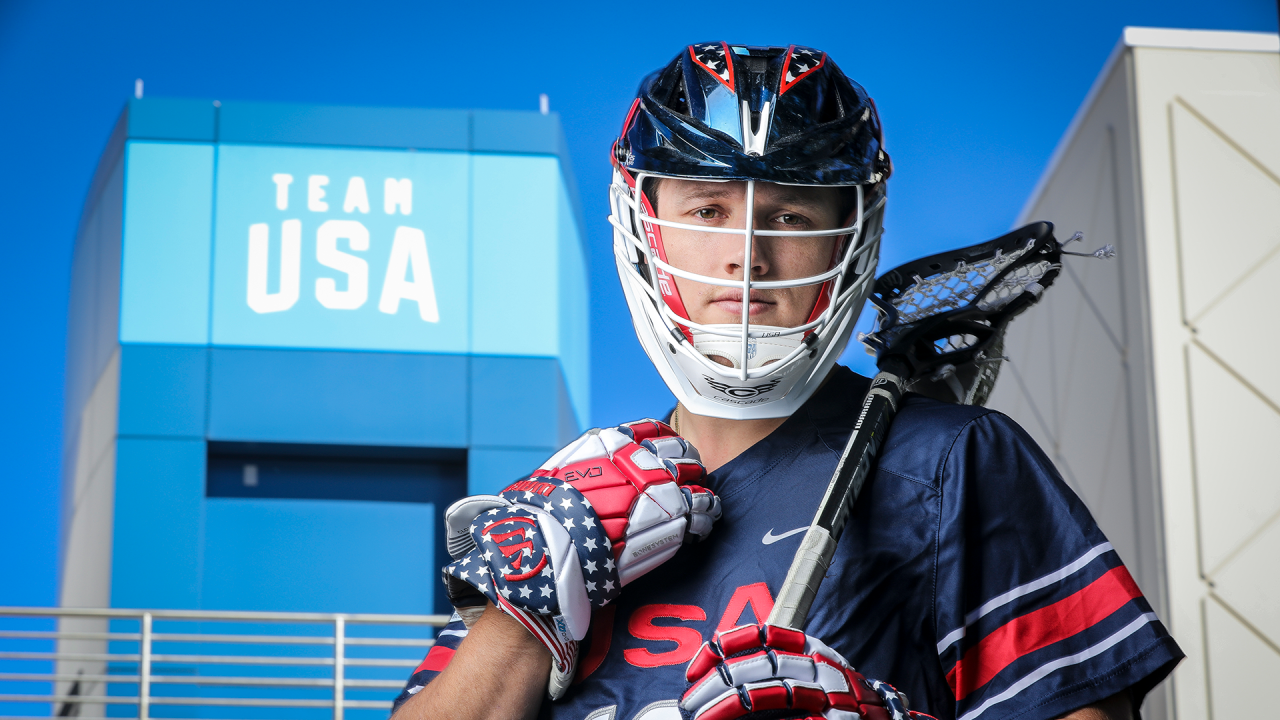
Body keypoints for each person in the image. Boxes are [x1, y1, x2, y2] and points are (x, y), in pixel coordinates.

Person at [389, 43, 1183, 720]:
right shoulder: (562, 503)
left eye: (792, 216)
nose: (747, 254)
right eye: (706, 211)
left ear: (853, 232)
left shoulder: (948, 464)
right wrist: (520, 614)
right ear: (645, 223)